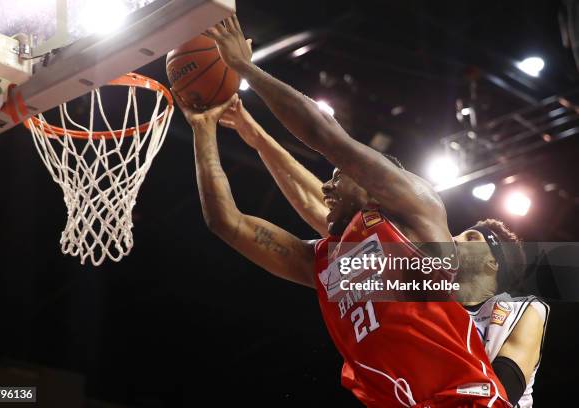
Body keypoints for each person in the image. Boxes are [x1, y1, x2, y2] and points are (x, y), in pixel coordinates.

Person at [170, 14, 545, 407]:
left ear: (374, 189)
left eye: (337, 176)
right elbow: (227, 222)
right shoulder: (336, 262)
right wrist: (204, 128)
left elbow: (323, 137)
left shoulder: (421, 219)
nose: (328, 187)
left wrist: (245, 67)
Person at [218, 99, 549, 407]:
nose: (455, 238)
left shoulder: (519, 310)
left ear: (493, 262)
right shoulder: (419, 283)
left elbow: (505, 387)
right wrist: (254, 133)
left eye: (470, 237)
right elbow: (319, 205)